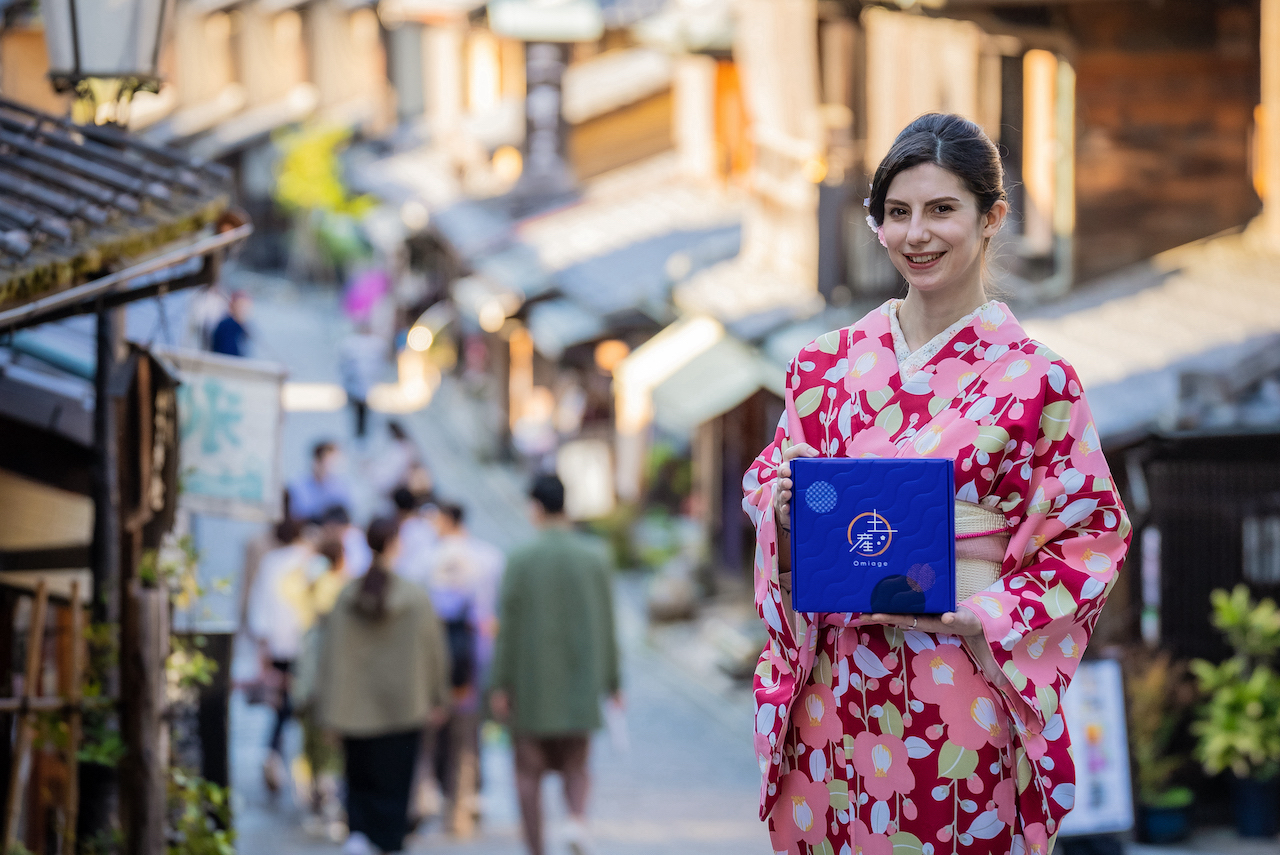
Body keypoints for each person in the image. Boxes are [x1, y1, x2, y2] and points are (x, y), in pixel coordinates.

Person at [745, 114, 1132, 855]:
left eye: (942, 209)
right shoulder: (824, 365)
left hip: (955, 677)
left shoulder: (1037, 379)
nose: (916, 234)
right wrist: (783, 500)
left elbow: (1091, 532)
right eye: (898, 213)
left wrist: (986, 607)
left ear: (993, 217)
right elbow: (772, 477)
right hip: (834, 685)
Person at [490, 475, 620, 855]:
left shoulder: (520, 559)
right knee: (576, 765)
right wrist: (613, 681)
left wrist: (500, 683)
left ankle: (536, 849)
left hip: (532, 682)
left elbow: (507, 628)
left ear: (535, 507)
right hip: (581, 682)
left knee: (527, 772)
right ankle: (576, 821)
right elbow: (608, 624)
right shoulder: (595, 557)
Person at [316, 517, 451, 855]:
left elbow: (330, 655)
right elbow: (435, 653)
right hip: (404, 706)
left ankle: (359, 834)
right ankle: (388, 840)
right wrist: (438, 696)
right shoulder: (415, 597)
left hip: (354, 709)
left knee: (359, 780)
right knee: (395, 786)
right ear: (395, 544)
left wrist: (328, 707)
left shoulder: (348, 595)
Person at [422, 502, 503, 837]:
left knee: (427, 736)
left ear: (444, 520)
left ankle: (422, 798)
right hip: (474, 661)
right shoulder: (490, 558)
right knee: (466, 740)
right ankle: (460, 810)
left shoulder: (424, 560)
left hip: (430, 660)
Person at [246, 517, 314, 793]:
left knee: (282, 702)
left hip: (278, 644)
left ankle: (274, 753)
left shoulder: (272, 562)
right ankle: (302, 764)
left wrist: (262, 647)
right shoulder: (310, 562)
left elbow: (259, 608)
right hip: (306, 644)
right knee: (303, 702)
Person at [339, 323, 386, 439]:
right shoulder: (351, 343)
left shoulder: (376, 343)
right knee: (357, 411)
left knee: (365, 412)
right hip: (355, 384)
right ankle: (359, 434)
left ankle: (363, 434)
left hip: (366, 384)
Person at [289, 441, 352, 523]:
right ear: (317, 461)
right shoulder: (299, 486)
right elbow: (298, 514)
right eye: (329, 462)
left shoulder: (341, 486)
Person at [210, 290, 252, 356]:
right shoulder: (227, 325)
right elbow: (228, 352)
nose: (243, 310)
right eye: (241, 306)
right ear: (232, 306)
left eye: (246, 307)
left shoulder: (242, 327)